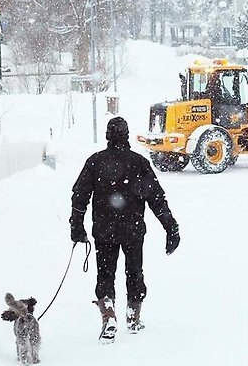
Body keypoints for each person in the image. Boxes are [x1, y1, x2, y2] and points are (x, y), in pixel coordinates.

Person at [70, 117, 180, 342]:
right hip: (133, 230)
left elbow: (80, 196)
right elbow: (157, 199)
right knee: (134, 272)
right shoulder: (139, 163)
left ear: (107, 136)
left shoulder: (95, 162)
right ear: (127, 135)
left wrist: (77, 225)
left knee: (105, 274)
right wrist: (171, 228)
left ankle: (108, 314)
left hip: (104, 230)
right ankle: (133, 316)